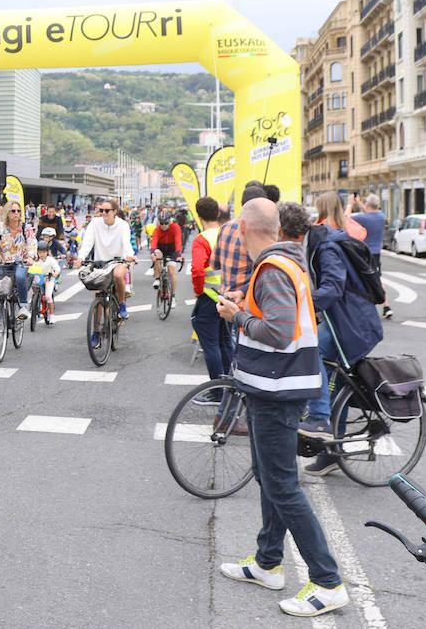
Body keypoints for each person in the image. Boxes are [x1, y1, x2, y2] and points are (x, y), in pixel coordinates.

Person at [215, 199, 348, 617]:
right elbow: (279, 316)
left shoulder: (272, 268)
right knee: (270, 477)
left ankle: (327, 581)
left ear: (243, 229)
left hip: (276, 388)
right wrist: (246, 303)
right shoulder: (287, 260)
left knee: (283, 486)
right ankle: (269, 561)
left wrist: (236, 316)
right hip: (277, 386)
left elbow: (276, 330)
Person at [277, 203, 383, 476]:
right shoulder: (312, 243)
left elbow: (332, 289)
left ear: (284, 231)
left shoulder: (326, 248)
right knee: (337, 388)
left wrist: (298, 303)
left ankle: (321, 419)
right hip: (343, 321)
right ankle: (332, 453)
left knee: (312, 351)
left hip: (355, 324)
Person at [188, 197, 230, 400]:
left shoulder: (202, 239)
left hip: (209, 296)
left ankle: (217, 392)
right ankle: (230, 386)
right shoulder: (227, 234)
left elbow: (197, 269)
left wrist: (198, 290)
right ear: (218, 214)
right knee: (225, 342)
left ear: (198, 216)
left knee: (211, 345)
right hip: (229, 296)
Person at [78, 198, 136, 343]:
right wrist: (81, 257)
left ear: (115, 212)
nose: (103, 213)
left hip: (119, 260)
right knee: (98, 295)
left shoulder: (122, 225)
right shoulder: (95, 223)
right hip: (101, 262)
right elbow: (88, 241)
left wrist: (129, 255)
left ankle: (122, 304)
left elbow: (126, 241)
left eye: (107, 211)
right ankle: (96, 332)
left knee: (118, 275)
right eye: (101, 210)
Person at [0, 199, 35, 320]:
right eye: (13, 211)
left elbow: (32, 242)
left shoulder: (26, 228)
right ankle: (0, 317)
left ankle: (23, 306)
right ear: (7, 213)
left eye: (19, 211)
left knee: (20, 276)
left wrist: (31, 257)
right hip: (2, 263)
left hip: (20, 262)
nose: (16, 213)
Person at [349, 194, 392, 320]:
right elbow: (369, 211)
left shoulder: (362, 219)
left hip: (364, 253)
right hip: (376, 253)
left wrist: (351, 204)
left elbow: (346, 218)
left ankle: (366, 307)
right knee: (377, 278)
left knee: (363, 280)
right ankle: (386, 306)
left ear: (368, 205)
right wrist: (360, 203)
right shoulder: (381, 216)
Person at [150, 209, 184, 297]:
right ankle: (157, 278)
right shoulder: (157, 229)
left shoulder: (175, 227)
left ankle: (172, 296)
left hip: (172, 250)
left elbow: (178, 241)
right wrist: (152, 253)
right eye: (161, 223)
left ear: (170, 221)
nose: (164, 225)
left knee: (171, 272)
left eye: (166, 223)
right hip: (161, 248)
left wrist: (179, 256)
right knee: (157, 256)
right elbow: (154, 241)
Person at [28, 238, 61, 324]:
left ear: (47, 252)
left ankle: (52, 314)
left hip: (49, 279)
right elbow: (30, 267)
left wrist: (55, 273)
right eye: (40, 252)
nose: (42, 254)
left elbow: (57, 268)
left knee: (48, 296)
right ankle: (35, 297)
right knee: (33, 283)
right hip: (39, 278)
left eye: (44, 252)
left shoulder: (51, 260)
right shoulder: (36, 260)